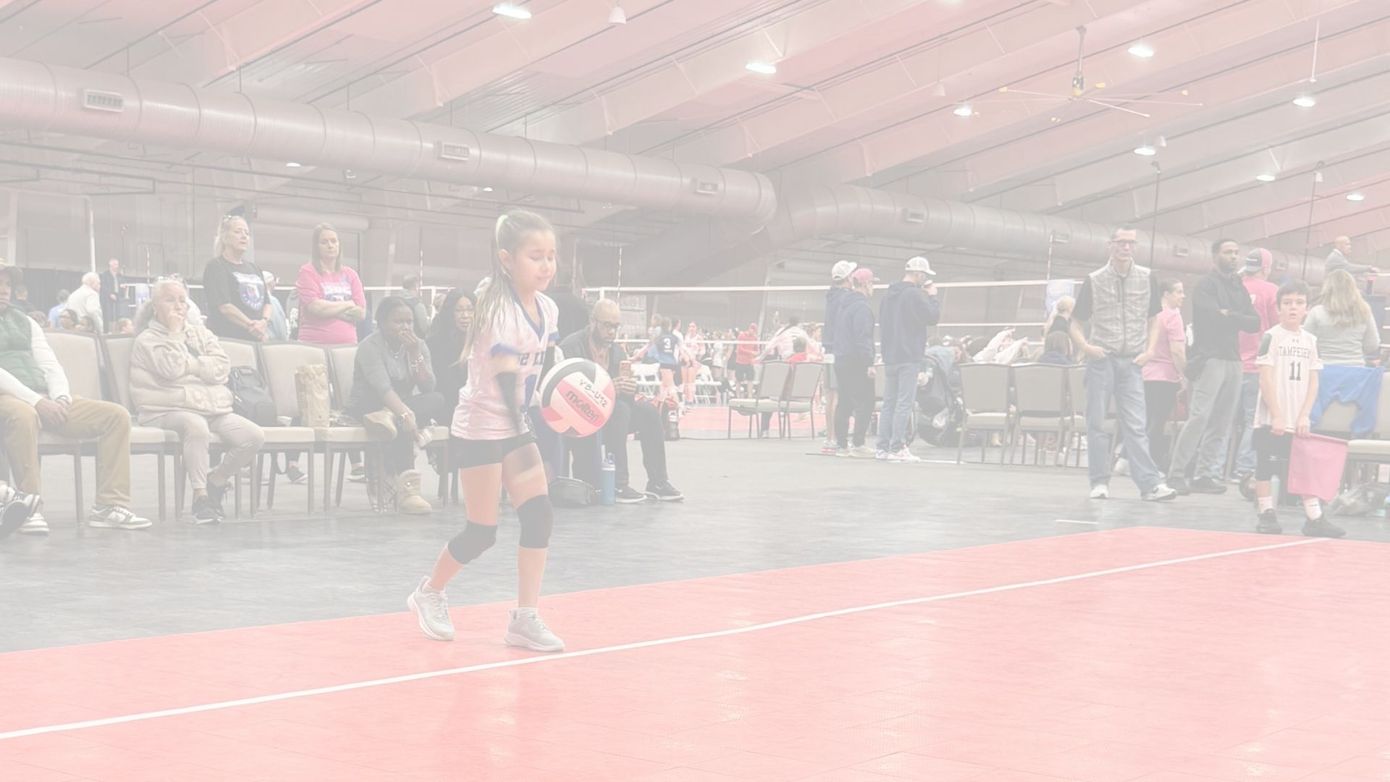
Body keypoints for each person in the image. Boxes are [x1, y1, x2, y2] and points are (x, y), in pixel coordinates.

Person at [406, 209, 565, 652]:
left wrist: (565, 403)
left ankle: (525, 618)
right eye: (536, 256)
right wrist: (532, 437)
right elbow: (507, 377)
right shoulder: (496, 309)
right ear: (506, 259)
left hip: (516, 424)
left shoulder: (548, 308)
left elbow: (547, 369)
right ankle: (429, 592)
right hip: (481, 427)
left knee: (539, 515)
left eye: (551, 256)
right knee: (482, 531)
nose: (546, 265)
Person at [0, 261, 149, 534]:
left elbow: (49, 364)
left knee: (116, 416)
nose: (5, 289)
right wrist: (37, 402)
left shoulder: (26, 322)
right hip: (9, 398)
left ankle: (108, 506)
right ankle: (28, 507)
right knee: (24, 415)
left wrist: (61, 398)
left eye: (8, 284)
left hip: (44, 396)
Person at [130, 279, 265, 523]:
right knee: (196, 426)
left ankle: (216, 481)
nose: (178, 306)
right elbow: (171, 369)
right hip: (165, 409)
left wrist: (191, 366)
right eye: (170, 300)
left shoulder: (200, 333)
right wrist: (174, 334)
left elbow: (222, 368)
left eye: (182, 300)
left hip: (209, 407)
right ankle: (200, 497)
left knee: (253, 436)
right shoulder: (147, 339)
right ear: (155, 306)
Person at [1070, 226, 1178, 502]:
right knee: (1096, 423)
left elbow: (1154, 319)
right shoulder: (1094, 280)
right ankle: (1099, 482)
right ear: (1110, 245)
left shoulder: (1146, 277)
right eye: (1121, 242)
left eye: (1131, 243)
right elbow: (1075, 323)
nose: (1126, 247)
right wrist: (1086, 347)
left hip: (1132, 362)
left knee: (1136, 424)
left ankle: (1149, 485)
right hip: (1101, 360)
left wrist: (1150, 350)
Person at [563, 299, 683, 503]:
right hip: (579, 415)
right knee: (620, 410)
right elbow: (566, 391)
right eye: (607, 325)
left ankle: (658, 482)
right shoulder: (571, 347)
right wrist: (609, 388)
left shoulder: (617, 351)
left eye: (616, 326)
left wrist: (629, 387)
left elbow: (624, 395)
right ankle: (618, 483)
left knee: (648, 411)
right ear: (593, 322)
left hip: (609, 415)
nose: (612, 332)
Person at [1167, 239, 1260, 494]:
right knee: (1199, 417)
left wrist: (1229, 314)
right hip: (1209, 358)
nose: (1234, 256)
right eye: (1228, 252)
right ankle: (1176, 473)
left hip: (1234, 360)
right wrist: (1233, 317)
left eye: (1236, 253)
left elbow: (1254, 323)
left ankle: (1204, 474)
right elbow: (1212, 317)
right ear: (1215, 255)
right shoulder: (1205, 285)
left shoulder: (1238, 286)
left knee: (1223, 421)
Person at [1251, 280, 1344, 538]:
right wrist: (1277, 415)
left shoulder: (1311, 341)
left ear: (1307, 308)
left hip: (1298, 417)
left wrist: (1304, 414)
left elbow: (1313, 381)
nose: (1293, 307)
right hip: (1272, 418)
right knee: (1265, 466)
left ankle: (1314, 518)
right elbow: (1265, 379)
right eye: (1288, 303)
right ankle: (1266, 513)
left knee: (1304, 467)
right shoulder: (1271, 337)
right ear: (1278, 308)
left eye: (1299, 302)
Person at [348, 296, 445, 514]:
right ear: (382, 323)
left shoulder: (417, 345)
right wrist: (405, 414)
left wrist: (414, 354)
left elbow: (428, 386)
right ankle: (409, 491)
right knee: (402, 419)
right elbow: (382, 388)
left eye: (409, 322)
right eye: (398, 321)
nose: (405, 327)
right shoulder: (369, 346)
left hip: (398, 407)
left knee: (437, 399)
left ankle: (392, 419)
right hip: (370, 404)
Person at [876, 256, 941, 462]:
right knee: (904, 403)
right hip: (909, 356)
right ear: (918, 274)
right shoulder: (914, 294)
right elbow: (932, 317)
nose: (925, 279)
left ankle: (882, 447)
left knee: (888, 403)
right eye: (924, 275)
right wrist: (932, 297)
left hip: (890, 356)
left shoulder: (888, 295)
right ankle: (897, 446)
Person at [1226, 249, 1281, 488]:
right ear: (1266, 268)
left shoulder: (1232, 287)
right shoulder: (1271, 291)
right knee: (1252, 420)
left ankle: (1213, 469)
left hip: (1229, 363)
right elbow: (1278, 328)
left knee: (1223, 419)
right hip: (1257, 366)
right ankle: (1243, 470)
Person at [202, 214, 272, 342]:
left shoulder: (254, 268)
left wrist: (264, 322)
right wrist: (251, 325)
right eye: (238, 232)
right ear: (225, 236)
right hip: (230, 339)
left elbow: (267, 302)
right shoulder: (216, 266)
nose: (244, 236)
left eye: (247, 233)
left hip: (256, 337)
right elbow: (224, 306)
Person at [1141, 280, 1186, 470]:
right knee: (1158, 422)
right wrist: (1184, 376)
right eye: (1178, 292)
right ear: (1166, 294)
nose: (1183, 296)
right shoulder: (1173, 316)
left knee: (1145, 421)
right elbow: (1177, 351)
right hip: (1165, 376)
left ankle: (1129, 459)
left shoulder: (1149, 315)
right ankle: (1151, 463)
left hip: (1145, 374)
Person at [833, 267, 877, 458]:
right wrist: (869, 362)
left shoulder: (843, 305)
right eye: (872, 283)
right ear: (865, 284)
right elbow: (863, 337)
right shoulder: (862, 307)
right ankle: (858, 443)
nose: (873, 287)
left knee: (844, 402)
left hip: (841, 358)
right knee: (866, 401)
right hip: (857, 361)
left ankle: (841, 445)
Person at [1305, 269, 1380, 367]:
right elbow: (1373, 344)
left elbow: (1306, 342)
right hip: (1356, 369)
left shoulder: (1316, 312)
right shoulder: (1364, 311)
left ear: (1327, 289)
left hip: (1324, 369)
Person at [821, 260, 856, 454]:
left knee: (830, 396)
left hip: (828, 351)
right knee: (837, 396)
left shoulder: (831, 296)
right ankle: (835, 438)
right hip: (838, 351)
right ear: (848, 278)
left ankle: (830, 437)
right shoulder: (845, 298)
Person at [426, 288, 474, 409]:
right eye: (459, 310)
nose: (465, 316)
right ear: (450, 313)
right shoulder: (434, 344)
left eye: (470, 310)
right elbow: (442, 385)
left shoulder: (482, 342)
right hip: (448, 406)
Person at [399, 274, 430, 339]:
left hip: (397, 340)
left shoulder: (395, 302)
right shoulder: (418, 305)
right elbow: (424, 328)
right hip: (414, 340)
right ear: (415, 287)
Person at [732, 322, 758, 397]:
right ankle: (737, 396)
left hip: (749, 362)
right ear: (749, 328)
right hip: (740, 361)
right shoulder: (742, 335)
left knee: (750, 379)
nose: (753, 331)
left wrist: (756, 354)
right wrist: (751, 352)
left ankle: (750, 396)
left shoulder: (755, 338)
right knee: (738, 380)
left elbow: (756, 349)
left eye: (754, 330)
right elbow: (740, 349)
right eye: (752, 329)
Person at [261, 271, 289, 341]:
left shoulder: (255, 300)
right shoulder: (272, 301)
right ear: (270, 283)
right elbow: (279, 325)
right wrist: (284, 341)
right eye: (274, 280)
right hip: (272, 343)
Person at [100, 257, 122, 328]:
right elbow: (103, 286)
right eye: (115, 264)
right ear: (110, 265)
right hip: (107, 298)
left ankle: (116, 327)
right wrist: (110, 294)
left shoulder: (119, 275)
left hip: (117, 296)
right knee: (108, 314)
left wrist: (123, 286)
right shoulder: (105, 274)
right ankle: (108, 329)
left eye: (117, 264)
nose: (117, 266)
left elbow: (121, 283)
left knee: (117, 313)